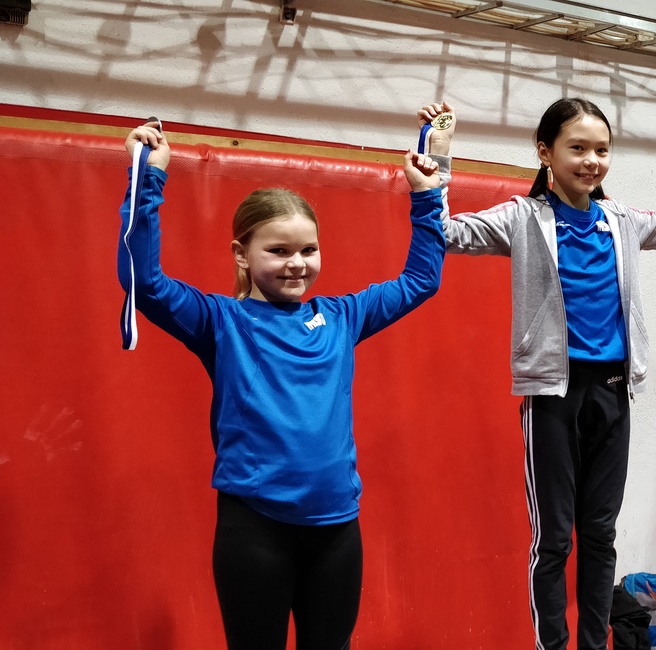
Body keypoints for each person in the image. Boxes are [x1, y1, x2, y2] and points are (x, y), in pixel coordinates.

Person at [118, 120, 446, 649]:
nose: (297, 264)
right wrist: (147, 180)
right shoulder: (220, 321)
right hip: (256, 530)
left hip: (336, 530)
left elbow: (421, 280)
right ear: (241, 254)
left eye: (308, 250)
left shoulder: (342, 316)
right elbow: (145, 283)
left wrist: (428, 195)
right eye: (278, 251)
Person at [415, 98, 656, 650]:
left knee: (600, 535)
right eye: (577, 148)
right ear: (545, 152)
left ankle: (594, 644)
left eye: (602, 150)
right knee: (553, 541)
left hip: (613, 393)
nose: (591, 160)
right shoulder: (523, 218)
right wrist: (439, 155)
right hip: (554, 395)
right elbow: (444, 233)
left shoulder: (621, 222)